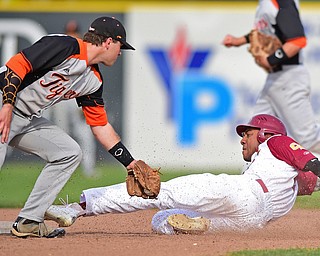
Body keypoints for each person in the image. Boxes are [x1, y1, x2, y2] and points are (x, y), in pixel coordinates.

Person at [45, 114, 320, 235]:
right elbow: (310, 177)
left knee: (156, 192)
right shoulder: (289, 179)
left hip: (241, 192)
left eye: (247, 134)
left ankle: (77, 209)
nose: (242, 140)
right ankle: (201, 224)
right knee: (162, 220)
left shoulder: (276, 142)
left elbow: (313, 164)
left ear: (264, 134)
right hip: (253, 223)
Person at [0, 16, 142, 238]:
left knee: (69, 153)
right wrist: (7, 104)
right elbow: (17, 64)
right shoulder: (66, 45)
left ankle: (29, 220)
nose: (120, 51)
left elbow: (100, 126)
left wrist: (130, 163)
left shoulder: (93, 80)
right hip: (3, 99)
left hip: (25, 117)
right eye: (119, 45)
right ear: (107, 42)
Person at [222, 0, 320, 156]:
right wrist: (239, 40)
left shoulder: (282, 2)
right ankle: (251, 178)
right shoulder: (266, 3)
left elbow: (297, 41)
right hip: (275, 79)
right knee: (256, 133)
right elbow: (263, 31)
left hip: (289, 77)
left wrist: (270, 60)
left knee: (309, 140)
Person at [44, 19, 98, 176]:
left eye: (74, 31)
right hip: (59, 97)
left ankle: (88, 169)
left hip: (77, 97)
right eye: (70, 32)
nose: (72, 34)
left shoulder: (84, 50)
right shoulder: (61, 47)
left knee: (85, 134)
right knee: (60, 133)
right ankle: (59, 167)